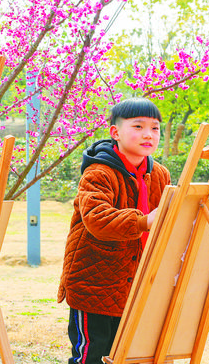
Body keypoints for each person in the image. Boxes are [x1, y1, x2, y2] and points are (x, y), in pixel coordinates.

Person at [57, 97, 171, 364]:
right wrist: (144, 221)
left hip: (136, 280)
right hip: (94, 281)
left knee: (130, 353)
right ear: (115, 132)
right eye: (138, 126)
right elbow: (97, 220)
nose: (148, 134)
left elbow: (173, 216)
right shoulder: (99, 172)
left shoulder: (160, 174)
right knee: (93, 354)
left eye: (154, 128)